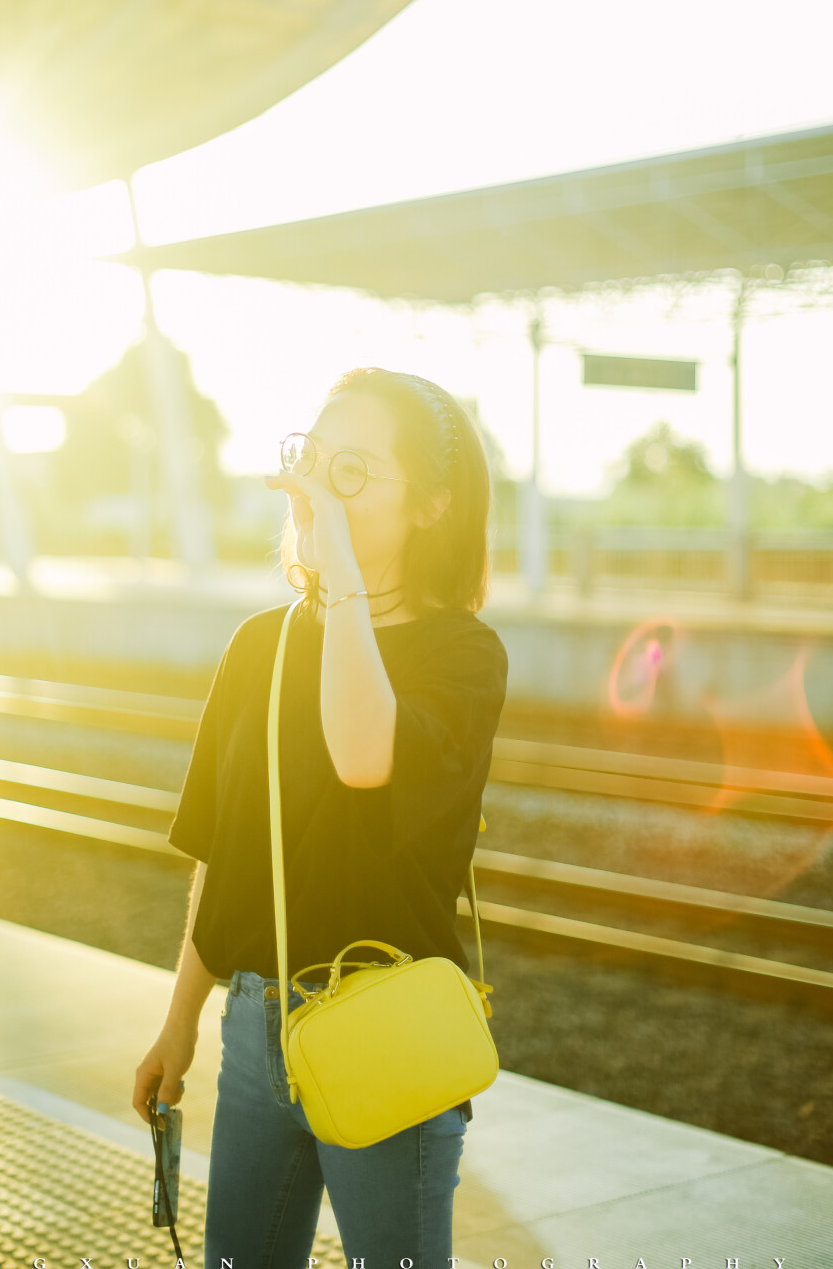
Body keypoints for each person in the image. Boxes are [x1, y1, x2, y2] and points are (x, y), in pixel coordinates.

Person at [132, 366, 508, 1268]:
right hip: (256, 1028)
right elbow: (223, 853)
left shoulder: (462, 655)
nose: (317, 489)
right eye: (315, 458)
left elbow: (363, 753)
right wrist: (180, 1022)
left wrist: (335, 569)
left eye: (354, 472)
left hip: (386, 1028)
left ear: (432, 506)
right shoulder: (262, 644)